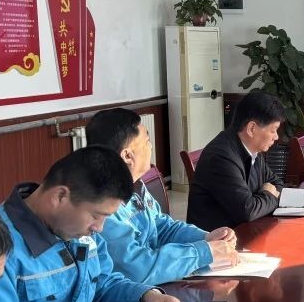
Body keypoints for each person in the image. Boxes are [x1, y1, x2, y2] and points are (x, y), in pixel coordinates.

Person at [0, 147, 189, 302]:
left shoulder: (75, 229)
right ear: (60, 196)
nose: (99, 228)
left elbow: (100, 285)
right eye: (96, 215)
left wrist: (145, 297)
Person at [86, 107, 241, 284]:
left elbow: (162, 227)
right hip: (133, 292)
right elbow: (138, 269)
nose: (151, 146)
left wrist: (205, 238)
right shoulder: (102, 206)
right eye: (147, 141)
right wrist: (203, 252)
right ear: (128, 155)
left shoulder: (136, 185)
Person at [187, 91, 287, 231]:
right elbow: (248, 211)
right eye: (273, 130)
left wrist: (264, 198)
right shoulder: (221, 157)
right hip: (216, 240)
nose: (276, 137)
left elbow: (277, 183)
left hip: (243, 230)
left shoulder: (252, 149)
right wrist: (270, 195)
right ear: (252, 128)